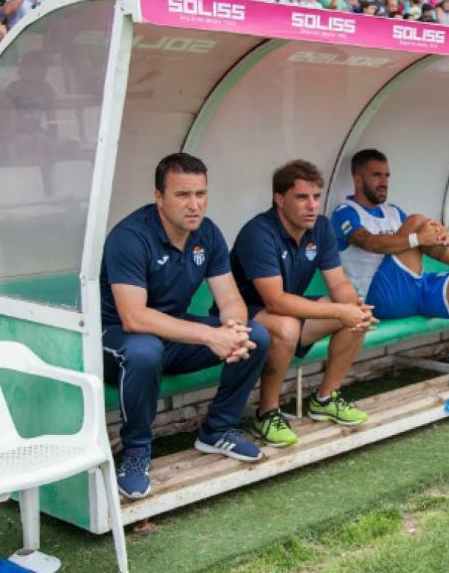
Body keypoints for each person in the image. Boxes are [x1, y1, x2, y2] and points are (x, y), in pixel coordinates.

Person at [101, 153, 271, 499]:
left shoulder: (207, 233)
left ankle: (216, 430)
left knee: (257, 335)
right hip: (116, 338)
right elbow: (134, 317)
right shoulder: (130, 236)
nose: (194, 205)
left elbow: (229, 300)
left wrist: (233, 330)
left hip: (171, 333)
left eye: (201, 194)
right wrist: (211, 335)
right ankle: (135, 452)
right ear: (159, 197)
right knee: (145, 349)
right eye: (182, 195)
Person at [331, 149, 449, 402]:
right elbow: (371, 243)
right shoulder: (345, 212)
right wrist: (420, 235)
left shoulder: (392, 211)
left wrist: (439, 235)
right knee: (416, 222)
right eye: (376, 175)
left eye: (387, 175)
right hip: (377, 297)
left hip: (411, 286)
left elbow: (420, 239)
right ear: (358, 179)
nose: (384, 181)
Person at [230, 159, 374, 448]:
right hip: (244, 315)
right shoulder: (258, 232)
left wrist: (354, 308)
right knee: (286, 327)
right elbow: (275, 300)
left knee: (355, 316)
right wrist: (339, 310)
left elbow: (339, 284)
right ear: (279, 199)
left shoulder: (320, 228)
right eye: (301, 197)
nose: (312, 205)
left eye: (316, 197)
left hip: (288, 309)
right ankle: (266, 413)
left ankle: (324, 398)